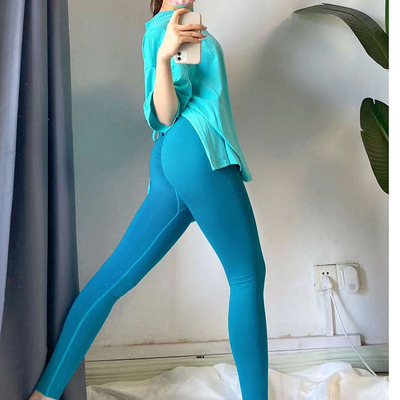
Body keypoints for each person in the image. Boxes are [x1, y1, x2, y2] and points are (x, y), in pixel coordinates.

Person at [29, 1, 269, 399]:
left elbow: (169, 114)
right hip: (199, 152)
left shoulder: (165, 26)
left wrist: (163, 55)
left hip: (171, 158)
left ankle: (45, 393)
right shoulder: (172, 26)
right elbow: (166, 112)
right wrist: (163, 58)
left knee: (112, 280)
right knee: (247, 276)